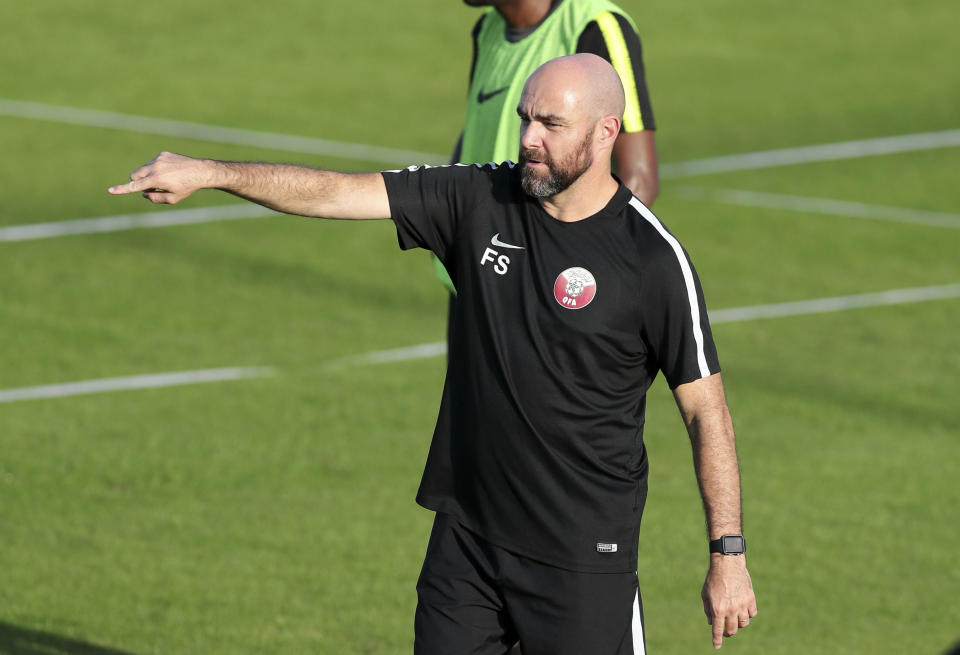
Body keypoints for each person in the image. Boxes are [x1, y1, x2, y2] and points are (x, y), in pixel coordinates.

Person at [109, 54, 757, 654]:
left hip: (582, 556)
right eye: (525, 118)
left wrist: (727, 553)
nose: (528, 137)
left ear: (605, 131)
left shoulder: (650, 259)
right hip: (469, 542)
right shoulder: (477, 199)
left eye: (551, 124)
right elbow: (337, 192)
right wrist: (212, 174)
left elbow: (708, 412)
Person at [436, 0, 659, 294]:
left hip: (534, 293)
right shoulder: (486, 29)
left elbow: (639, 180)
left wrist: (559, 273)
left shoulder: (594, 26)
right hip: (471, 280)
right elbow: (478, 129)